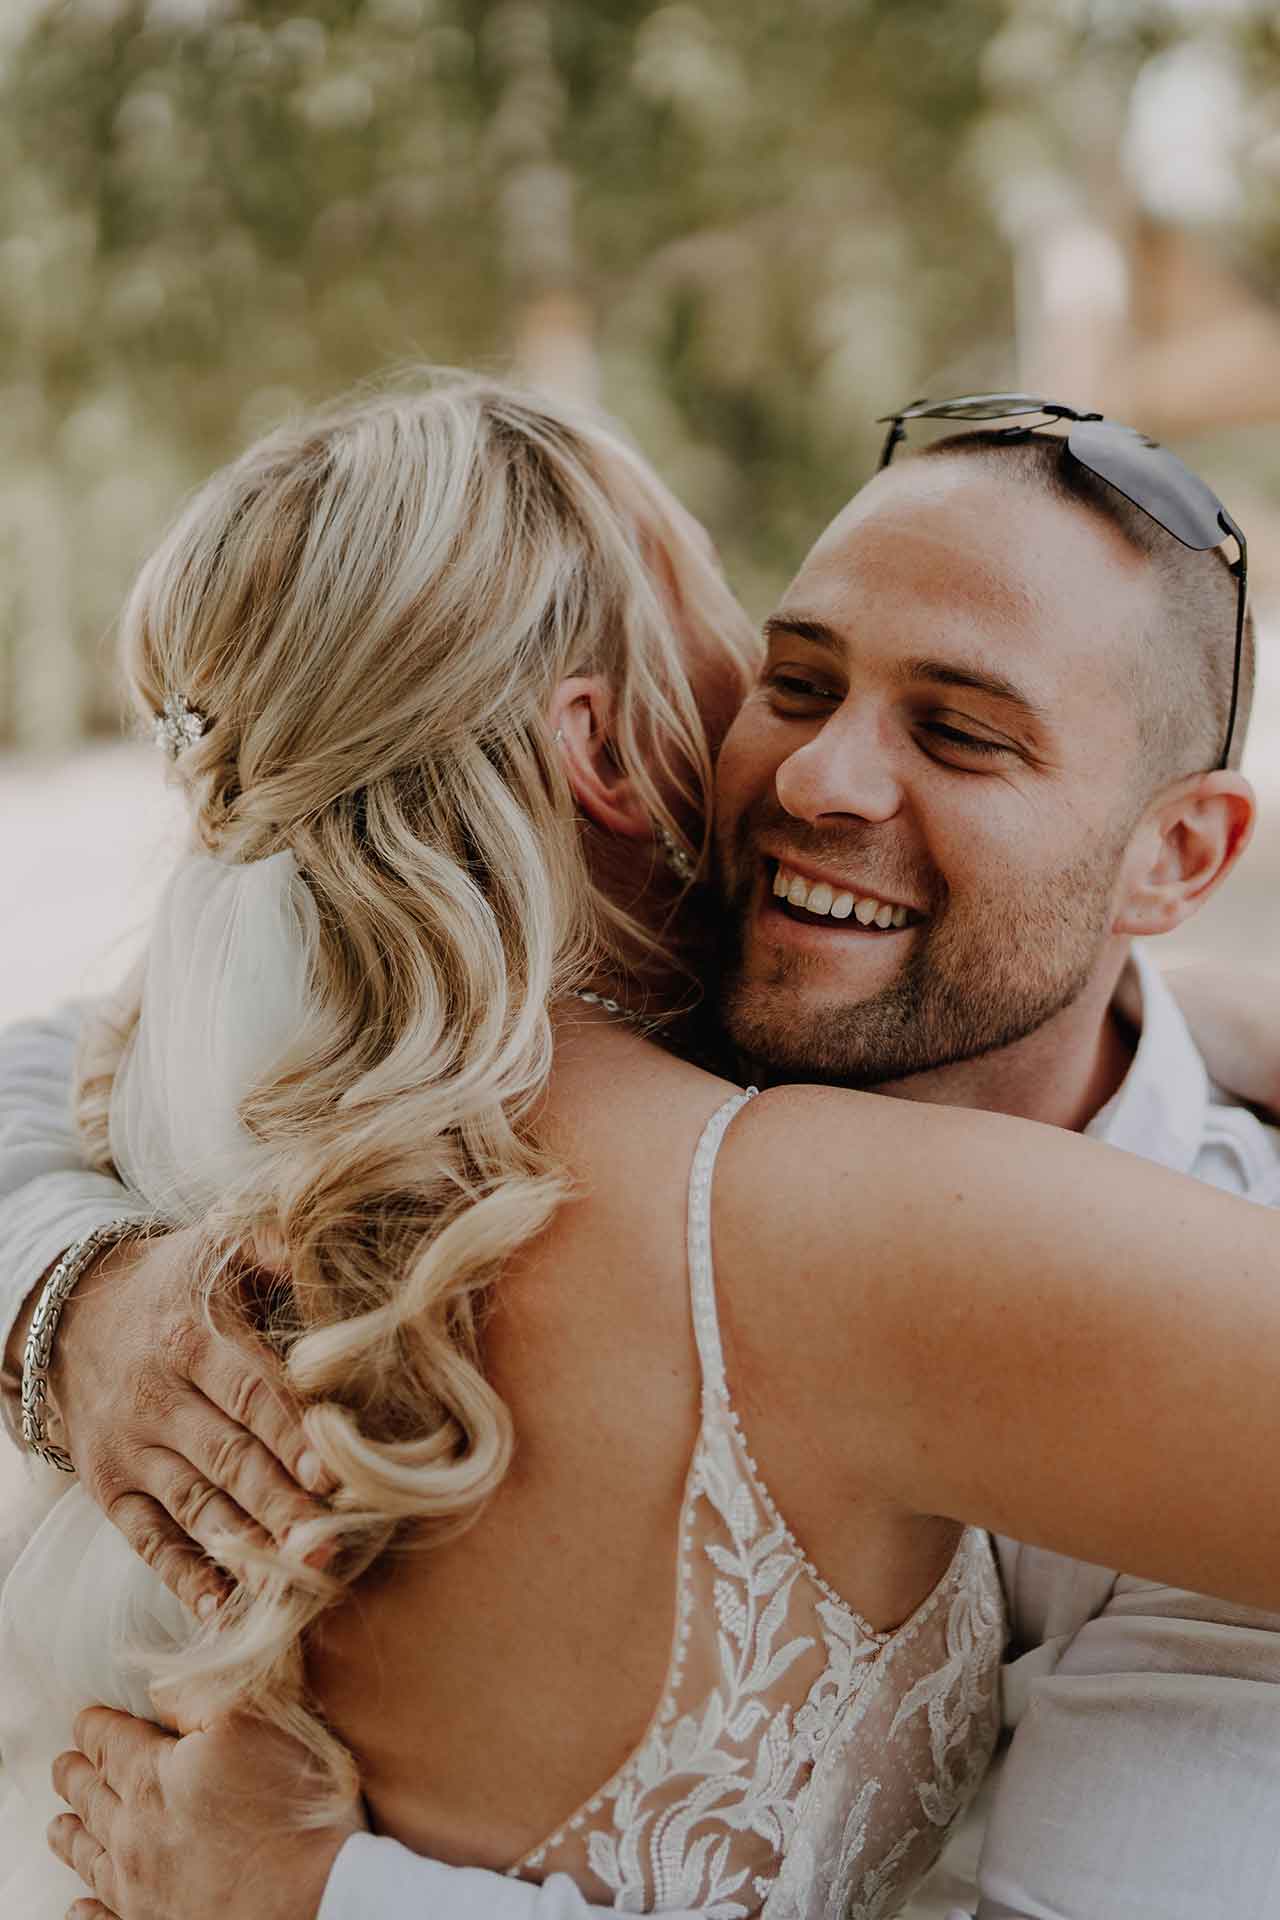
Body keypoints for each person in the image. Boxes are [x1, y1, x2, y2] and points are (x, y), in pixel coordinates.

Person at [3, 379, 1280, 1920]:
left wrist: (330, 1901)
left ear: (1180, 855)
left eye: (959, 731)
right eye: (788, 679)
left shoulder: (263, 1119)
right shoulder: (788, 1207)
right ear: (601, 749)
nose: (815, 780)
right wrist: (70, 1295)